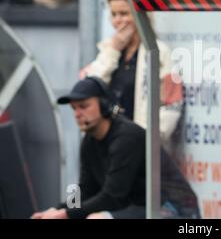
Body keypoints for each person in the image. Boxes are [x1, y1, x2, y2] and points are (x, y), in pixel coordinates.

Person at [31, 77, 199, 219]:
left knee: (98, 218)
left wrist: (66, 214)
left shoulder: (127, 137)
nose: (77, 114)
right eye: (74, 108)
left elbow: (113, 196)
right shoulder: (90, 141)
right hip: (139, 208)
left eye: (84, 106)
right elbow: (85, 190)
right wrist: (58, 210)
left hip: (174, 208)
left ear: (104, 105)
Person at [80, 0, 183, 156]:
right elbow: (86, 89)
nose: (117, 20)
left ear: (140, 14)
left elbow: (172, 105)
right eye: (113, 14)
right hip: (106, 147)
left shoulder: (160, 52)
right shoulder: (107, 50)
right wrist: (113, 50)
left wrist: (143, 140)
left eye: (124, 14)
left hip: (140, 150)